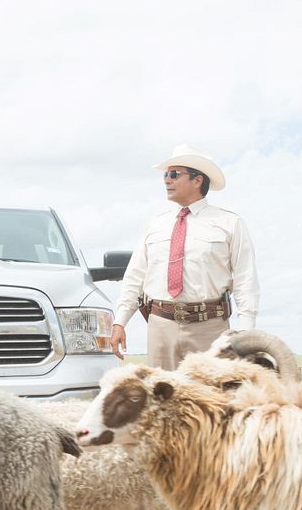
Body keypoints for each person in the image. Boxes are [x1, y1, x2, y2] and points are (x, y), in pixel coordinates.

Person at [111, 144, 259, 370]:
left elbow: (245, 279)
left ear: (197, 180)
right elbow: (135, 275)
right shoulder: (155, 224)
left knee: (209, 390)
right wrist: (120, 321)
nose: (166, 180)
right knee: (160, 391)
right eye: (165, 175)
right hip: (160, 327)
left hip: (210, 329)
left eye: (174, 174)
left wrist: (246, 332)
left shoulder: (230, 223)